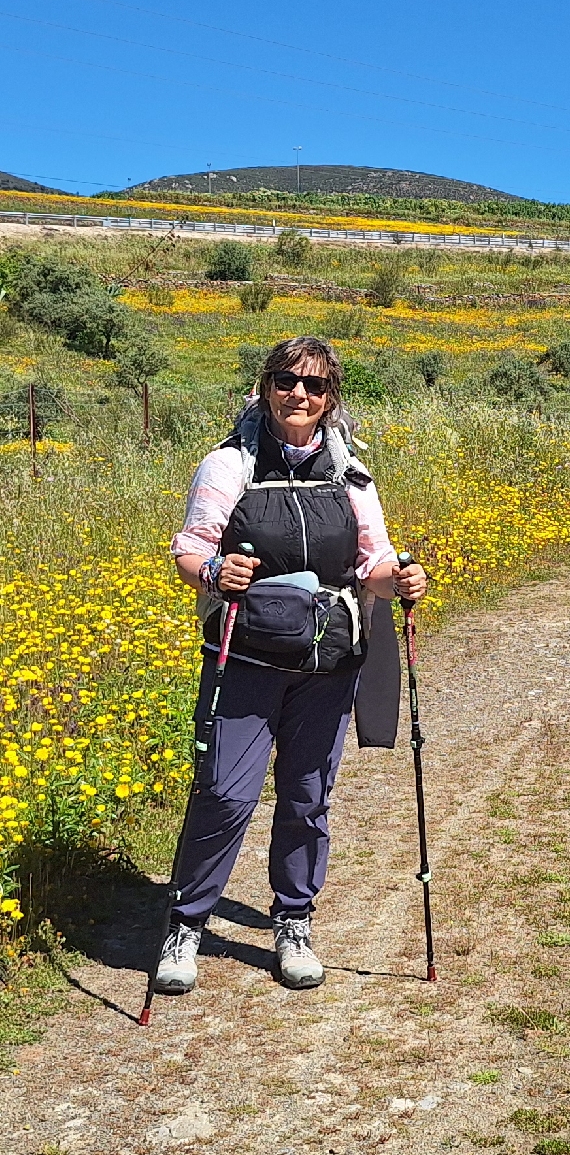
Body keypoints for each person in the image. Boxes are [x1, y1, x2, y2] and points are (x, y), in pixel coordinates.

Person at [155, 335, 426, 994]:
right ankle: (186, 924)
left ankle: (294, 922)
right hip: (244, 657)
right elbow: (189, 552)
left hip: (328, 666)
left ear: (331, 398)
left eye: (314, 386)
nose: (298, 395)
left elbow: (372, 563)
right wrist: (217, 571)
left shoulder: (353, 475)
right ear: (266, 385)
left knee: (307, 798)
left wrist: (403, 579)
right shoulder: (227, 466)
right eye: (286, 381)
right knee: (223, 792)